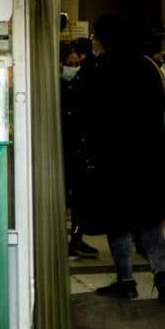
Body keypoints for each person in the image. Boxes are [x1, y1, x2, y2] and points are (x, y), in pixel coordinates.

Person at [71, 14, 165, 304]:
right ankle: (161, 275)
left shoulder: (96, 68)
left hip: (113, 158)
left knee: (117, 221)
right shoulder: (148, 66)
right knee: (149, 219)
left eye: (96, 37)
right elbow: (160, 106)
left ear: (104, 39)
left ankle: (126, 280)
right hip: (151, 155)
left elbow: (82, 113)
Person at [60, 42, 97, 259]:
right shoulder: (56, 88)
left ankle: (76, 238)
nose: (74, 68)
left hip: (77, 149)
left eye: (77, 64)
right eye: (69, 64)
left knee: (79, 200)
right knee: (65, 197)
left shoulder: (83, 85)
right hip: (62, 149)